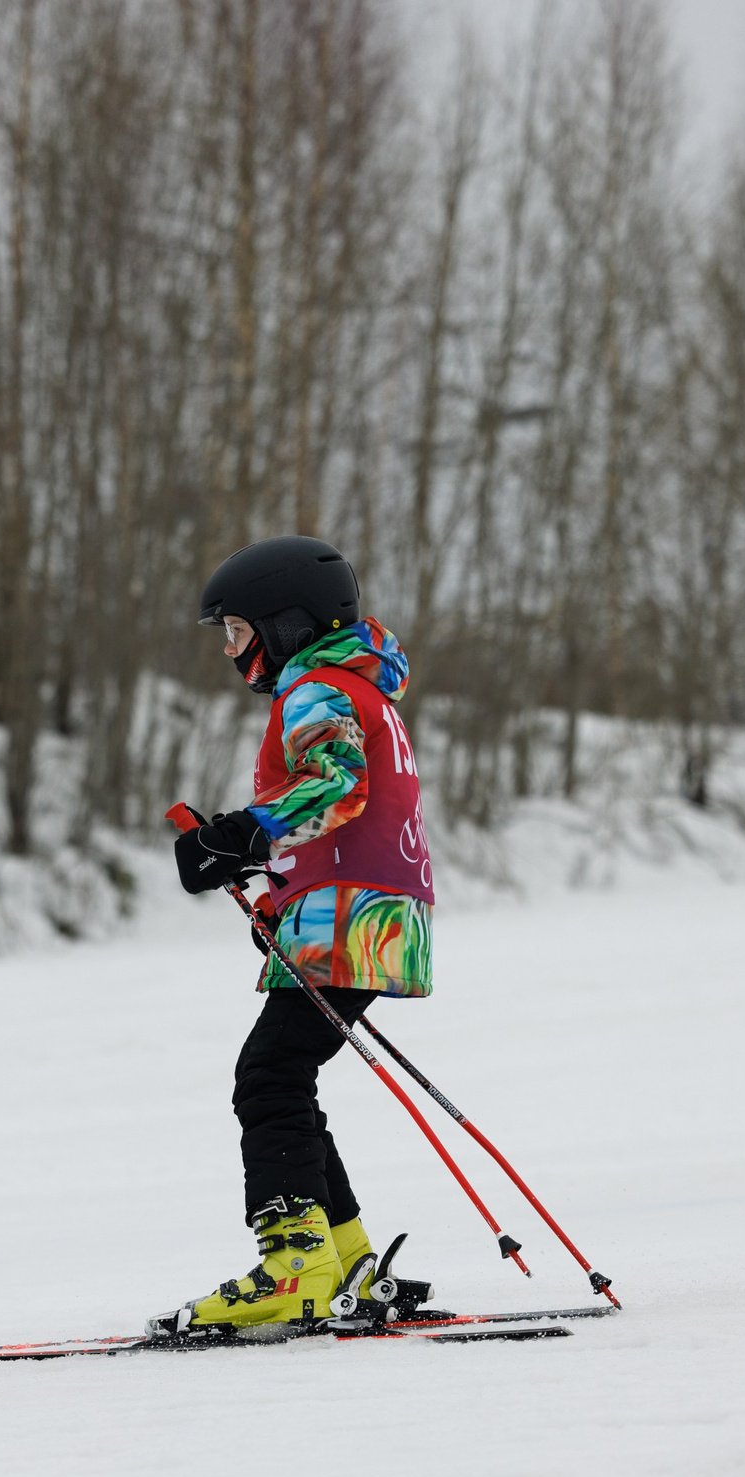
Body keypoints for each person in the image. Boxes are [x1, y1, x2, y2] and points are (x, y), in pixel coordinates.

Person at [161, 535, 434, 1333]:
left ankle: (296, 1269)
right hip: (372, 916)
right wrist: (284, 899)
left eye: (239, 631)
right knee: (285, 1078)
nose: (231, 650)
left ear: (285, 623)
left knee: (270, 1078)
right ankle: (343, 1261)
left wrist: (238, 836)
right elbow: (348, 821)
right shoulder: (358, 686)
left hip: (355, 919)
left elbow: (336, 787)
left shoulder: (315, 687)